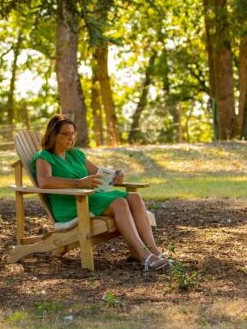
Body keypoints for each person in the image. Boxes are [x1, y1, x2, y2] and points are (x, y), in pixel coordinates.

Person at [31, 114, 169, 272]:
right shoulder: (44, 156)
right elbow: (44, 181)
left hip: (89, 196)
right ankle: (144, 255)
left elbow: (97, 173)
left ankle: (155, 252)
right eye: (66, 134)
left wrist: (114, 177)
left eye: (73, 134)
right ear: (54, 135)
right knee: (120, 203)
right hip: (71, 203)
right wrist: (79, 183)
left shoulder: (75, 154)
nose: (71, 138)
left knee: (135, 197)